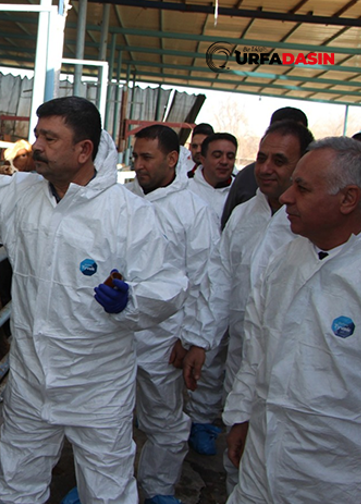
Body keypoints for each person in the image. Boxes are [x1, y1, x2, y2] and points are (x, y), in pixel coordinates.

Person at [0, 96, 187, 504]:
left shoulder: (128, 214)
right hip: (32, 378)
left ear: (84, 150)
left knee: (108, 489)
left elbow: (168, 284)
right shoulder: (25, 195)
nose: (37, 146)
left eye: (50, 137)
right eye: (37, 135)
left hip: (96, 386)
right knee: (15, 483)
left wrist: (132, 302)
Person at [224, 137, 361, 504]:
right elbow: (256, 350)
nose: (286, 197)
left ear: (348, 199)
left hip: (337, 480)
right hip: (262, 461)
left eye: (303, 187)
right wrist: (242, 416)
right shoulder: (285, 259)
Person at [183, 120, 313, 493]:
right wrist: (200, 340)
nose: (267, 168)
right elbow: (219, 280)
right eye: (261, 158)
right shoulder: (245, 215)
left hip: (293, 373)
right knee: (238, 450)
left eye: (280, 160)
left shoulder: (310, 226)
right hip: (242, 358)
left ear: (303, 164)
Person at [124, 125, 219, 504]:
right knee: (108, 417)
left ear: (172, 159)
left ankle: (158, 488)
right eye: (135, 157)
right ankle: (104, 487)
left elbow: (206, 278)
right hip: (118, 331)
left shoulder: (192, 210)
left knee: (163, 418)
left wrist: (193, 337)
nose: (138, 165)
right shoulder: (121, 199)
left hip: (164, 337)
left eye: (147, 157)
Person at [220, 107, 308, 229]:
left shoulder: (312, 224)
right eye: (261, 159)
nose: (264, 169)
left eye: (278, 161)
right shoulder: (241, 214)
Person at [186, 132, 237, 220]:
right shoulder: (185, 190)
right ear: (203, 159)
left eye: (230, 157)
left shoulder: (241, 193)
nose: (224, 161)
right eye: (217, 156)